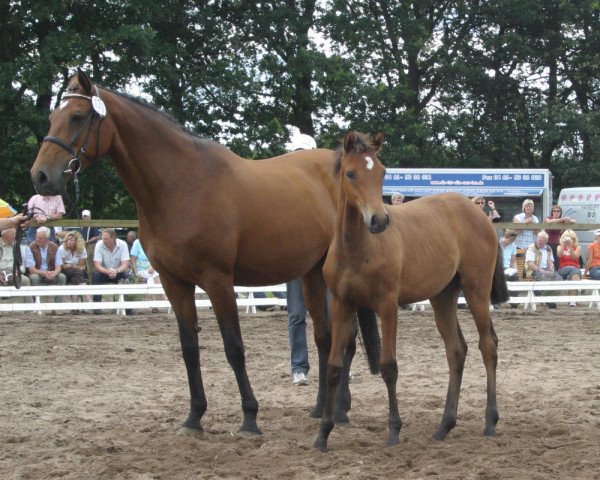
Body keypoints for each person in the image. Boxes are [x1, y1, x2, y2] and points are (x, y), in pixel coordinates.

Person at [284, 132, 318, 386]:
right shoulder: (283, 190)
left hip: (322, 259)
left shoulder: (324, 188)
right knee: (297, 314)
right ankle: (299, 366)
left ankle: (336, 361)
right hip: (296, 259)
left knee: (330, 314)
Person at [92, 228, 130, 314]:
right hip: (104, 272)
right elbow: (97, 264)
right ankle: (97, 307)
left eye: (105, 238)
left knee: (127, 274)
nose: (103, 240)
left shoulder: (123, 244)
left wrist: (116, 271)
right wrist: (107, 272)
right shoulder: (99, 244)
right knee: (96, 275)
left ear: (113, 238)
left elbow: (125, 264)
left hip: (119, 271)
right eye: (102, 238)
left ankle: (128, 307)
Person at [24, 226, 67, 304]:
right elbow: (31, 269)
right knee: (34, 278)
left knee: (62, 277)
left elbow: (58, 266)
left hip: (51, 273)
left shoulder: (55, 247)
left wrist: (54, 273)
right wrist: (45, 273)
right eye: (36, 237)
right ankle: (36, 304)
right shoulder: (30, 248)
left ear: (47, 239)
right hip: (37, 273)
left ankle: (58, 306)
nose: (37, 239)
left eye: (40, 238)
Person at [130, 238, 162, 313]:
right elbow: (133, 259)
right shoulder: (137, 242)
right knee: (155, 274)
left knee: (152, 277)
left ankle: (154, 305)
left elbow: (159, 258)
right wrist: (136, 273)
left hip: (153, 270)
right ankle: (164, 295)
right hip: (140, 271)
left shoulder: (155, 241)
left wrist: (154, 267)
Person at [544, 205, 575, 270]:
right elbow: (549, 221)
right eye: (554, 211)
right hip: (548, 242)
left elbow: (574, 221)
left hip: (557, 243)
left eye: (558, 211)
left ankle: (557, 274)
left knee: (557, 259)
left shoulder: (562, 220)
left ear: (560, 213)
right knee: (548, 259)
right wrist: (563, 219)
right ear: (552, 212)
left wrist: (568, 220)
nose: (556, 212)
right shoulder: (548, 218)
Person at [556, 229, 582, 307]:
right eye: (567, 238)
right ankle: (579, 289)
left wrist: (570, 247)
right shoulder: (560, 247)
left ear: (574, 239)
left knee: (574, 274)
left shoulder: (578, 247)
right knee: (574, 270)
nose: (569, 240)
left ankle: (572, 302)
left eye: (571, 238)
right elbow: (559, 255)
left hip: (575, 270)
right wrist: (564, 245)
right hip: (563, 270)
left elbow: (574, 257)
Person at [78, 209, 101, 283]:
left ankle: (91, 279)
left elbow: (96, 236)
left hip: (90, 246)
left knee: (89, 262)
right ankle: (83, 279)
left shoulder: (92, 225)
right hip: (81, 245)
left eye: (87, 216)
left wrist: (87, 241)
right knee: (81, 262)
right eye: (84, 216)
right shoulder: (81, 226)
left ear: (90, 216)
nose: (85, 218)